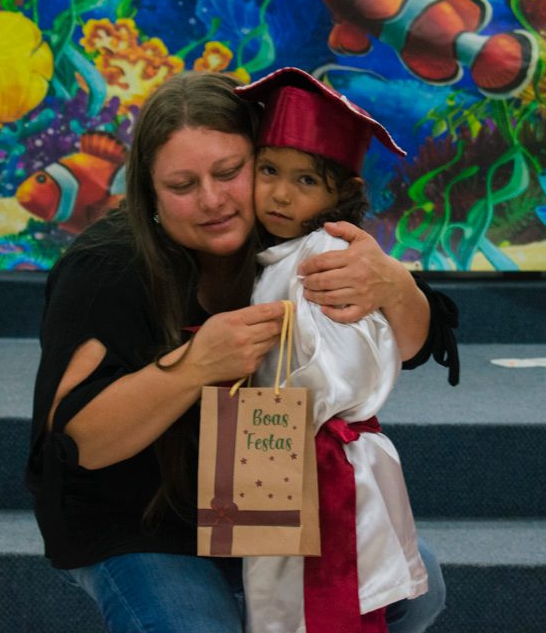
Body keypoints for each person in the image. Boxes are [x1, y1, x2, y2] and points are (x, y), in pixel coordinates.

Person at [26, 70, 454, 633]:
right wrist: (193, 368)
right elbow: (77, 442)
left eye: (231, 173)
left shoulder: (296, 234)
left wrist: (391, 285)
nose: (212, 201)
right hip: (139, 519)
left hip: (267, 502)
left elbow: (423, 342)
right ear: (148, 191)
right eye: (182, 186)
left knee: (417, 591)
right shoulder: (106, 268)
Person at [237, 67, 429, 633]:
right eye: (269, 170)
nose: (279, 193)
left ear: (337, 195)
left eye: (305, 181)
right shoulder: (275, 250)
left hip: (315, 465)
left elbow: (348, 368)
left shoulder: (327, 257)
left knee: (319, 610)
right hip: (274, 453)